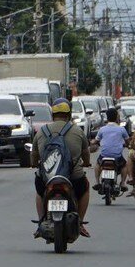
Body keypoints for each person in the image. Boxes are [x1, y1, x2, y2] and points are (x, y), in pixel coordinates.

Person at [32, 101, 91, 237]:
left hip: (48, 177)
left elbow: (34, 154)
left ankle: (41, 221)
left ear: (53, 115)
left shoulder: (42, 131)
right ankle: (80, 223)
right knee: (85, 188)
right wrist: (86, 163)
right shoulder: (77, 131)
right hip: (73, 177)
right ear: (69, 115)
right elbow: (86, 152)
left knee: (40, 191)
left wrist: (35, 163)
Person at [92, 106, 129, 190]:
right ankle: (123, 183)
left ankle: (97, 182)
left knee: (98, 164)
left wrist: (92, 143)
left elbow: (96, 141)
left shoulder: (102, 129)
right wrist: (127, 145)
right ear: (117, 117)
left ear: (107, 117)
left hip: (104, 155)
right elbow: (128, 142)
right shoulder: (121, 129)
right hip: (117, 156)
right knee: (124, 165)